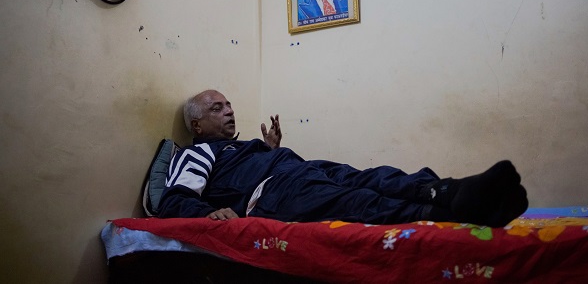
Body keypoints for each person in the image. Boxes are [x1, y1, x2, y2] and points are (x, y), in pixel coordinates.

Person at [158, 89, 528, 227]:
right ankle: (450, 212)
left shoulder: (240, 148)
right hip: (273, 193)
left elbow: (239, 173)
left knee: (373, 176)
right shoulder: (198, 152)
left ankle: (449, 191)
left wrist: (269, 152)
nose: (228, 111)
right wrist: (208, 213)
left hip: (297, 170)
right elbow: (175, 199)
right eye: (216, 108)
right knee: (355, 201)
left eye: (229, 105)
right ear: (197, 124)